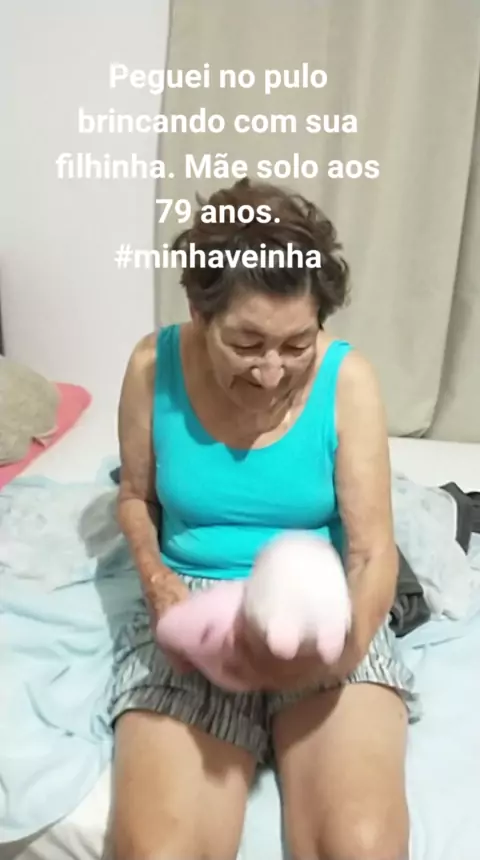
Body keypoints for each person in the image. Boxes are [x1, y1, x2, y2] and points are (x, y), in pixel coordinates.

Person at [110, 178, 416, 860]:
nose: (273, 372)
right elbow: (133, 496)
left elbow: (372, 553)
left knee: (359, 848)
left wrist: (336, 651)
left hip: (321, 608)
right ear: (199, 312)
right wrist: (158, 584)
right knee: (158, 853)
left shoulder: (349, 381)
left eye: (297, 344)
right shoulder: (152, 365)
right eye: (247, 345)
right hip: (197, 610)